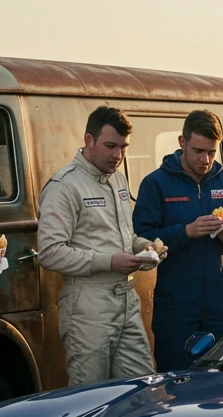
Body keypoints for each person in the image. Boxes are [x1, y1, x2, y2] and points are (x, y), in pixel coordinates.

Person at [37, 106, 163, 386]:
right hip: (86, 307)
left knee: (141, 390)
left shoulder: (117, 179)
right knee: (90, 397)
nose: (117, 155)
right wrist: (110, 262)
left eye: (123, 147)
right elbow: (49, 253)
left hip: (126, 301)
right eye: (110, 146)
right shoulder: (64, 186)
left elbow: (124, 237)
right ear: (88, 140)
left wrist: (145, 247)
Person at [133, 109, 223, 371]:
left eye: (212, 152)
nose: (205, 159)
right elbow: (142, 237)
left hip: (221, 300)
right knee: (176, 377)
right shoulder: (156, 183)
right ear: (182, 143)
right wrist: (186, 231)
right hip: (176, 302)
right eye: (198, 151)